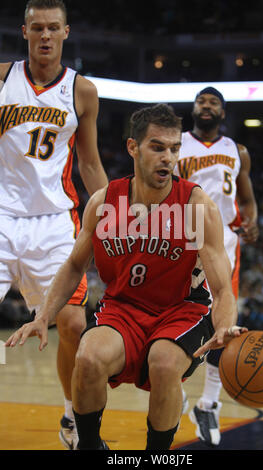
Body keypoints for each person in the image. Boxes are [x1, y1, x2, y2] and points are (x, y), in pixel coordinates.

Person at [6, 103, 247, 450]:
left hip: (182, 311)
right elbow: (75, 265)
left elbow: (223, 288)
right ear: (133, 147)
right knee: (87, 358)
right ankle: (89, 445)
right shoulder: (105, 203)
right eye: (158, 147)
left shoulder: (196, 205)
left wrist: (224, 326)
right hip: (123, 309)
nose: (168, 157)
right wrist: (43, 315)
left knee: (164, 364)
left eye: (174, 149)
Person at [0, 0, 108, 450]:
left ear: (66, 32)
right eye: (37, 28)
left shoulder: (81, 91)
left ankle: (70, 415)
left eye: (53, 28)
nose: (45, 36)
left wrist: (115, 216)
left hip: (54, 223)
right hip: (1, 216)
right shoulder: (3, 78)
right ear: (25, 31)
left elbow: (88, 163)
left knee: (72, 325)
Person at [175, 87, 258, 446]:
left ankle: (209, 403)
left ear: (223, 113)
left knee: (223, 322)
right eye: (201, 101)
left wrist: (251, 222)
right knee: (171, 314)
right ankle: (173, 388)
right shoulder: (174, 143)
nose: (206, 106)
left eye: (213, 103)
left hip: (223, 239)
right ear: (193, 109)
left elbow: (248, 199)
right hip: (178, 233)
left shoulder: (237, 151)